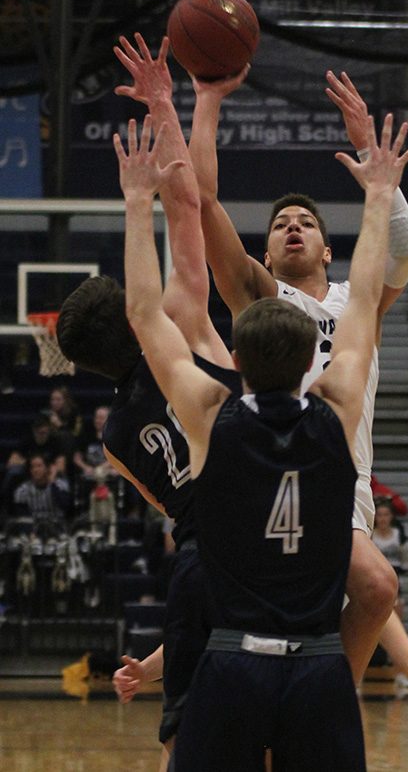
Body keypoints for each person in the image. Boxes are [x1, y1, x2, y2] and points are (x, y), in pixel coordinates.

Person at [114, 34, 408, 716]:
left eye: (305, 223)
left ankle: (304, 704)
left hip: (342, 484)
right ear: (267, 248)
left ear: (329, 246)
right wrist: (192, 105)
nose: (292, 228)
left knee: (366, 595)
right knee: (339, 594)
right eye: (281, 225)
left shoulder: (357, 302)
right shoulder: (264, 298)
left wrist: (371, 158)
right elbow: (202, 206)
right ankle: (289, 706)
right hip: (275, 467)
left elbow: (405, 252)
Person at [57, 54, 239, 771]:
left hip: (200, 561)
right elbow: (188, 207)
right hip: (269, 531)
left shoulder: (111, 439)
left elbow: (173, 516)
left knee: (184, 745)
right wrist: (169, 104)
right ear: (136, 321)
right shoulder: (183, 326)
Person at [371, 497, 408, 689]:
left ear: (391, 517)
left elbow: (406, 564)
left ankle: (400, 673)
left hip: (395, 589)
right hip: (371, 590)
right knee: (369, 633)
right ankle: (358, 675)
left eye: (386, 515)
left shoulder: (398, 536)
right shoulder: (370, 536)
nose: (383, 518)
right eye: (379, 515)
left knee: (397, 632)